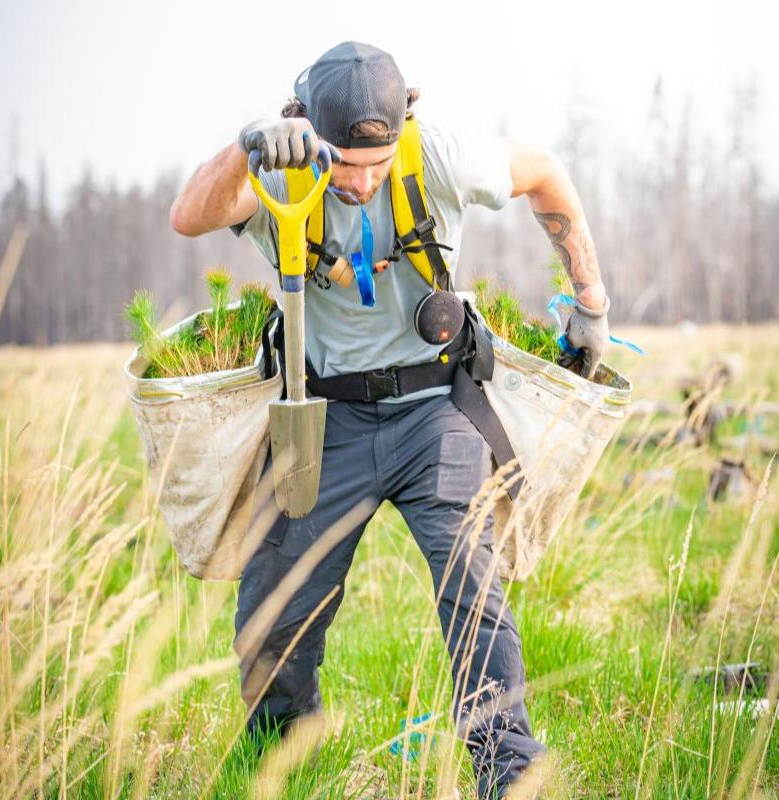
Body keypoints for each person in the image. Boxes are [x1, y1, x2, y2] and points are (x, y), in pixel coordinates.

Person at [170, 40, 609, 800]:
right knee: (276, 607)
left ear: (403, 125)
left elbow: (545, 174)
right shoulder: (276, 168)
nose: (361, 180)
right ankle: (285, 751)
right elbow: (189, 215)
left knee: (472, 581)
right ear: (307, 127)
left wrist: (592, 302)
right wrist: (247, 149)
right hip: (322, 421)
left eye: (376, 162)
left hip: (433, 408)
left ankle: (507, 771)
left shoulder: (438, 155)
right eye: (343, 162)